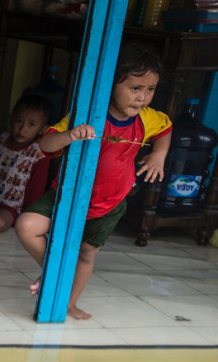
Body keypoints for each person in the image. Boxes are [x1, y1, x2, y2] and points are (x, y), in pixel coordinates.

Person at [15, 42, 171, 320]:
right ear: (111, 84)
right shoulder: (88, 116)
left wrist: (159, 154)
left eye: (150, 90)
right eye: (135, 88)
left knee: (87, 254)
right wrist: (71, 135)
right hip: (68, 195)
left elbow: (166, 127)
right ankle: (56, 272)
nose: (143, 98)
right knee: (27, 226)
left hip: (110, 203)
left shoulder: (147, 120)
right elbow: (47, 145)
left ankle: (69, 303)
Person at [0, 94, 53, 233]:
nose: (22, 129)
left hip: (11, 207)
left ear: (42, 129)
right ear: (11, 119)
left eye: (31, 124)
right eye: (19, 121)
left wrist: (28, 215)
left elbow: (36, 187)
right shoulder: (3, 139)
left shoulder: (39, 152)